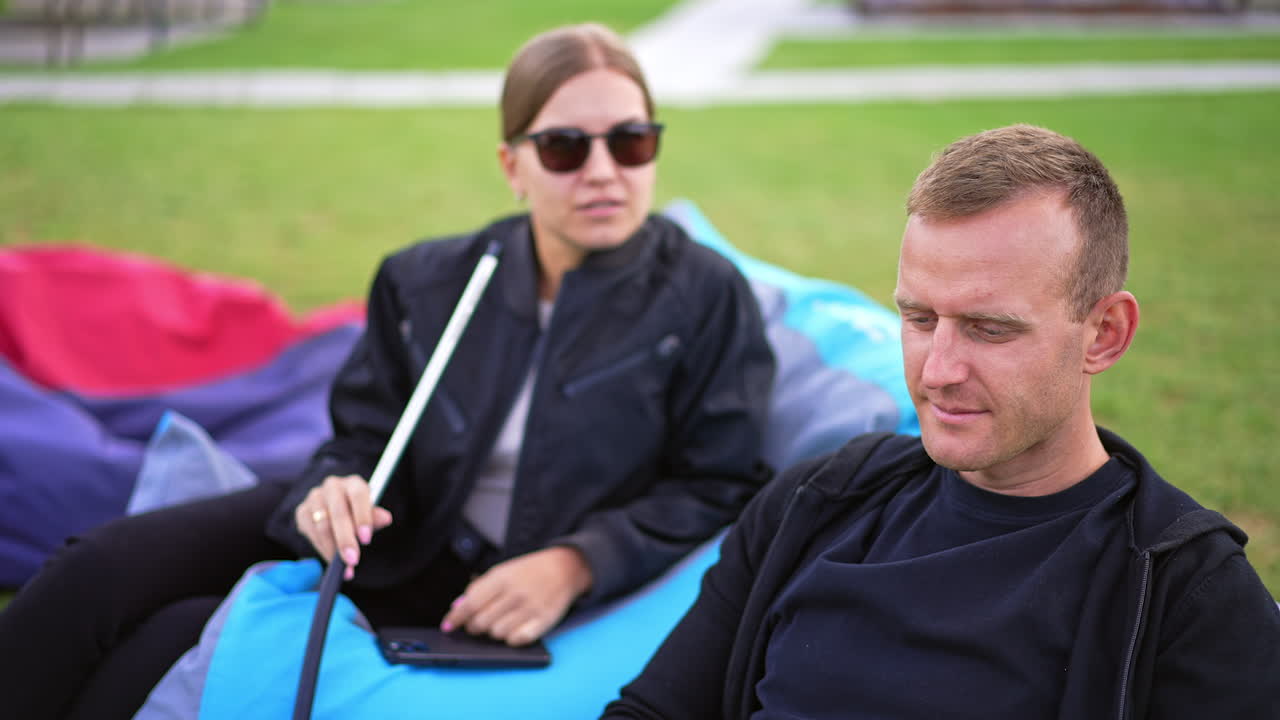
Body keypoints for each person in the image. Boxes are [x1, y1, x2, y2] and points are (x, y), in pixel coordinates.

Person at [0, 23, 775, 720]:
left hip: (477, 587)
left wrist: (578, 563)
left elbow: (721, 484)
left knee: (171, 639)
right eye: (566, 148)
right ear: (513, 165)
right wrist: (332, 487)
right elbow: (362, 438)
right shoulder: (425, 279)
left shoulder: (707, 296)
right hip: (385, 528)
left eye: (632, 142)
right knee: (94, 570)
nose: (604, 171)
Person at [602, 124, 1280, 719]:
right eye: (921, 319)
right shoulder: (817, 504)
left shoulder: (1181, 591)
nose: (938, 370)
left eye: (990, 329)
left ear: (1104, 334)